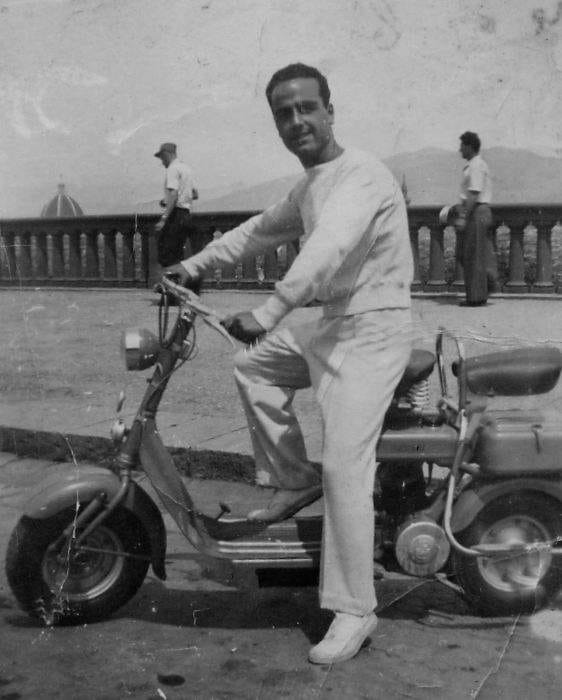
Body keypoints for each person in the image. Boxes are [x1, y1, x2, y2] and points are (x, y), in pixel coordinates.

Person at [165, 63, 413, 665]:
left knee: (346, 467)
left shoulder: (362, 175)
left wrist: (270, 310)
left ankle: (354, 609)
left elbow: (328, 247)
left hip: (374, 331)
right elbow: (258, 231)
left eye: (307, 108)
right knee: (253, 367)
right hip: (332, 325)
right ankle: (293, 478)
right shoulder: (309, 185)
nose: (297, 121)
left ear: (330, 110)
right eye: (284, 113)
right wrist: (193, 265)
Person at [455, 131, 498, 306]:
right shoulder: (474, 165)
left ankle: (476, 298)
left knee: (473, 256)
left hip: (477, 212)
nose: (460, 150)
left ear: (469, 147)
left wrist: (463, 216)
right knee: (475, 254)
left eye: (462, 146)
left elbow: (473, 192)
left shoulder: (476, 166)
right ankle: (480, 293)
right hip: (478, 211)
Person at [154, 142, 199, 268]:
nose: (162, 162)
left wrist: (163, 219)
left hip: (175, 216)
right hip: (186, 215)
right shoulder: (186, 169)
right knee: (177, 253)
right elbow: (195, 194)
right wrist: (170, 199)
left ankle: (171, 280)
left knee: (167, 255)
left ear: (167, 154)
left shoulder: (172, 169)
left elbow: (173, 195)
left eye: (162, 158)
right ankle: (178, 279)